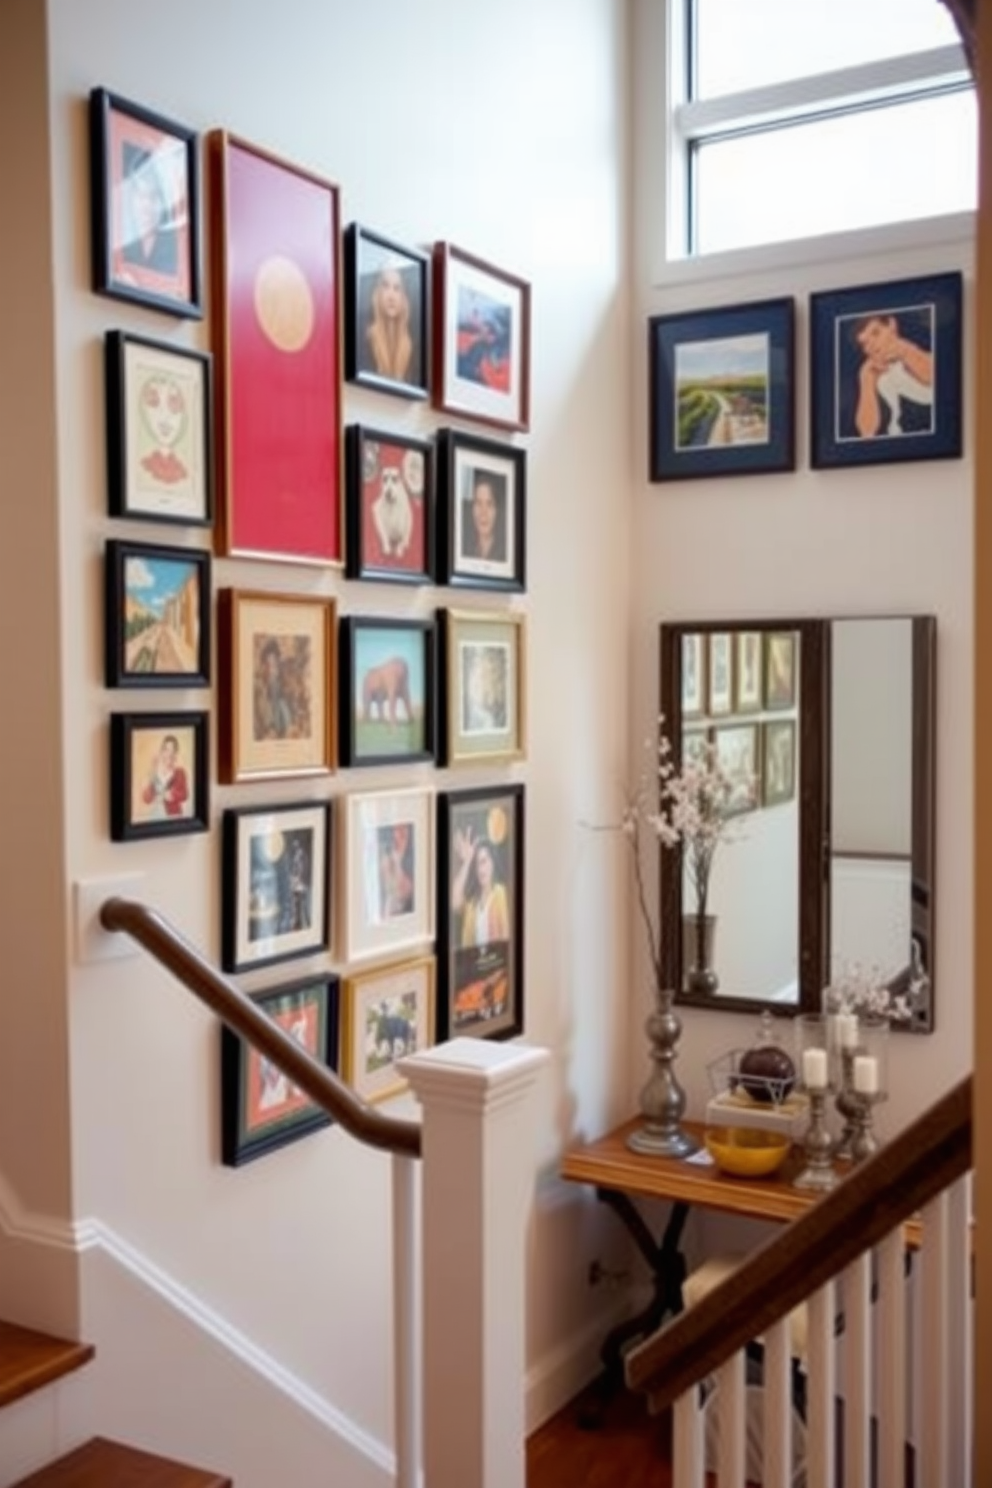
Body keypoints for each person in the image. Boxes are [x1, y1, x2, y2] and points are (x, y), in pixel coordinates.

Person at [851, 312, 934, 438]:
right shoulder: (876, 376)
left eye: (876, 333)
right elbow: (867, 433)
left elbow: (934, 378)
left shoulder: (928, 355)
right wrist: (865, 378)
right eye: (865, 343)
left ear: (892, 325)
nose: (872, 345)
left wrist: (905, 351)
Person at [121, 149, 178, 277]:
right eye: (141, 196)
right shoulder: (122, 245)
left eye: (154, 197)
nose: (147, 206)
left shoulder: (175, 248)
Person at [450, 827, 509, 948]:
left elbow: (506, 936)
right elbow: (454, 901)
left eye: (484, 861)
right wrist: (467, 861)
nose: (481, 870)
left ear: (492, 863)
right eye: (477, 864)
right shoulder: (472, 904)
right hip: (474, 963)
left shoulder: (501, 893)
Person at [364, 263, 414, 383]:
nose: (391, 297)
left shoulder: (408, 345)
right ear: (377, 294)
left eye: (397, 289)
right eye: (385, 287)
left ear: (403, 298)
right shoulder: (369, 337)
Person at [138, 372, 188, 485]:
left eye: (173, 403)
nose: (164, 415)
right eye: (154, 402)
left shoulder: (182, 471)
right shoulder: (145, 466)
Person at [460, 471, 507, 564]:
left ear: (497, 510)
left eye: (489, 504)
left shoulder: (504, 552)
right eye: (478, 503)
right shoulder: (464, 547)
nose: (483, 512)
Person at [139, 734, 189, 818]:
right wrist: (149, 779)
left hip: (174, 814)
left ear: (175, 753)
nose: (169, 754)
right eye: (166, 749)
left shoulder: (179, 772)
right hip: (156, 815)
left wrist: (172, 795)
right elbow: (146, 799)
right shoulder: (154, 772)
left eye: (172, 750)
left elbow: (185, 794)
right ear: (162, 751)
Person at [254, 638, 294, 739]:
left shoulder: (280, 680)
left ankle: (279, 728)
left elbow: (283, 698)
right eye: (269, 665)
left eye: (274, 665)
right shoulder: (261, 684)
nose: (272, 669)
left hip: (279, 706)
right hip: (269, 711)